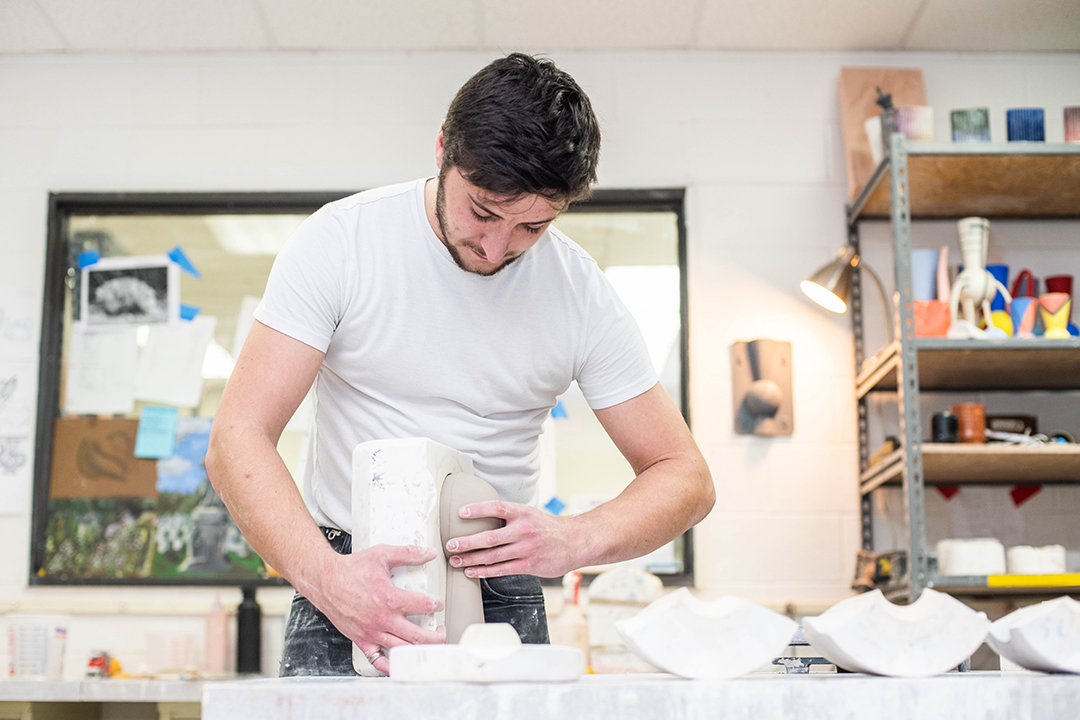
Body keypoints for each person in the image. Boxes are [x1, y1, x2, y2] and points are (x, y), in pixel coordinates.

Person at [206, 52, 715, 677]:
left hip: (503, 576)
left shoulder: (580, 292)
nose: (497, 248)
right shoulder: (341, 243)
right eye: (483, 211)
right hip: (344, 570)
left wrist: (573, 538)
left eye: (532, 226)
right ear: (444, 150)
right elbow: (236, 437)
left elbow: (685, 476)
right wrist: (328, 581)